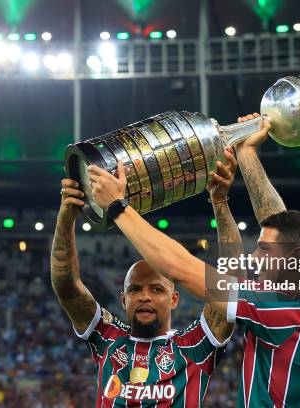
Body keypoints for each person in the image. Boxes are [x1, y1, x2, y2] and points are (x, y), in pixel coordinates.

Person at [88, 113, 300, 408]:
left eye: (264, 250)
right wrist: (247, 152)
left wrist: (118, 208)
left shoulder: (280, 313)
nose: (255, 256)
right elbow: (278, 221)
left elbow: (178, 267)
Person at [50, 148, 240, 407]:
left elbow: (231, 289)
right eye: (135, 290)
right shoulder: (107, 340)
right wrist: (66, 217)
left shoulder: (194, 347)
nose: (145, 297)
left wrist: (220, 204)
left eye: (157, 290)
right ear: (123, 298)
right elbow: (67, 287)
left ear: (174, 299)